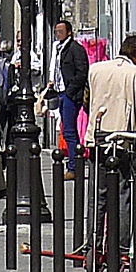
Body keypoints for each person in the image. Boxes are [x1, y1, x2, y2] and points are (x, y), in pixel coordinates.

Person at [86, 36, 136, 272]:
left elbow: (86, 101)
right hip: (125, 140)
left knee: (97, 196)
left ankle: (92, 246)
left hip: (98, 137)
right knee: (124, 195)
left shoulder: (95, 70)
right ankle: (123, 249)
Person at [46, 19, 90, 176]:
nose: (58, 34)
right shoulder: (59, 48)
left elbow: (82, 72)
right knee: (67, 131)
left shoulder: (75, 49)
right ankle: (74, 163)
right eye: (56, 31)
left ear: (69, 32)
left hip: (70, 94)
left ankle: (73, 167)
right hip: (61, 93)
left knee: (70, 131)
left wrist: (70, 91)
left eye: (61, 31)